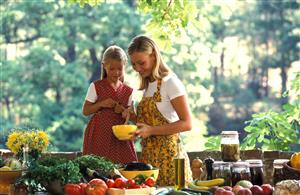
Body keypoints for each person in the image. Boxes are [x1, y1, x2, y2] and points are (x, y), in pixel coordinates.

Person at [125, 35, 192, 186]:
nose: (137, 69)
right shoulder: (149, 85)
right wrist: (133, 118)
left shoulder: (170, 83)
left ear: (154, 55)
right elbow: (148, 126)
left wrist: (151, 130)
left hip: (170, 160)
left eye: (141, 63)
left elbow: (187, 123)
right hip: (149, 162)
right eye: (134, 64)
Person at [82, 45, 138, 164]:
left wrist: (125, 112)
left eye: (119, 69)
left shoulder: (128, 91)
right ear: (104, 66)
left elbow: (132, 117)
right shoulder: (96, 86)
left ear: (125, 66)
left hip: (120, 137)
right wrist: (102, 104)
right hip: (99, 134)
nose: (116, 72)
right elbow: (86, 111)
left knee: (125, 167)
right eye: (112, 69)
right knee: (98, 167)